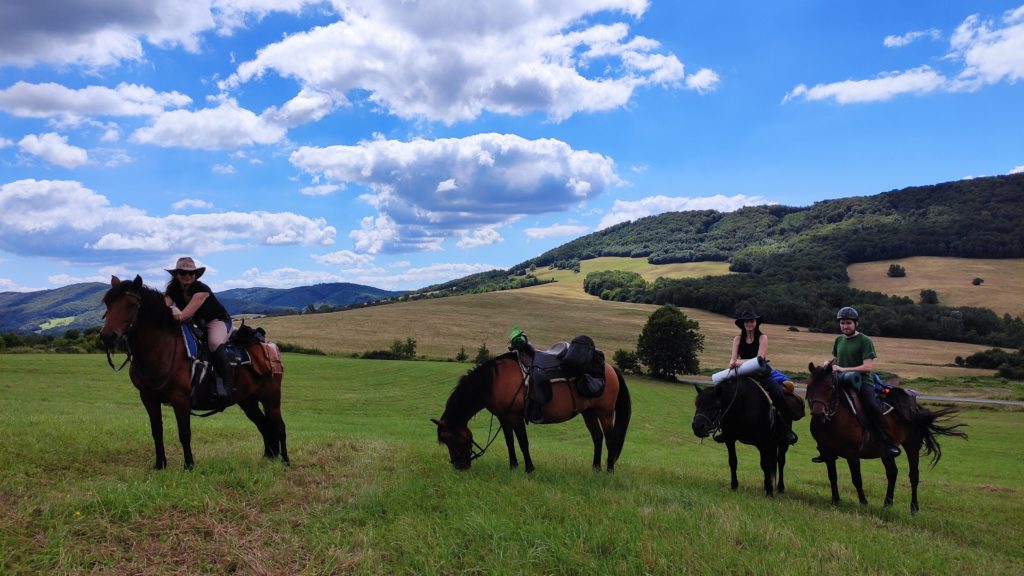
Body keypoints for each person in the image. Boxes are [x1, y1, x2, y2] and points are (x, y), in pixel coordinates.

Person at [813, 306, 901, 462]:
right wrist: (829, 362)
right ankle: (825, 448)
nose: (845, 326)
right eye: (842, 323)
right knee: (822, 405)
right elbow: (837, 359)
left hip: (862, 382)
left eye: (848, 323)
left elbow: (867, 367)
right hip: (841, 381)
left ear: (856, 324)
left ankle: (887, 443)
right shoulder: (839, 340)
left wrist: (842, 368)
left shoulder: (865, 340)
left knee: (872, 406)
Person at [164, 257, 233, 402]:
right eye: (183, 273)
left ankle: (227, 384)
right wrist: (171, 308)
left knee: (214, 343)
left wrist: (173, 309)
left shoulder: (202, 290)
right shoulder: (172, 289)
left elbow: (183, 316)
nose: (188, 276)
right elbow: (163, 306)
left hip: (216, 320)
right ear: (177, 274)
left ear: (196, 275)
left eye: (191, 273)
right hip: (195, 323)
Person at [728, 309, 798, 445]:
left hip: (761, 372)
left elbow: (759, 359)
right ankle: (725, 428)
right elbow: (733, 359)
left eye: (751, 321)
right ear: (742, 324)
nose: (749, 323)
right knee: (725, 391)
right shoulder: (737, 339)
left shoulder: (762, 338)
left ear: (756, 323)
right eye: (746, 321)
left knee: (777, 393)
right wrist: (732, 362)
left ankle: (786, 429)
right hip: (743, 372)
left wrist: (737, 362)